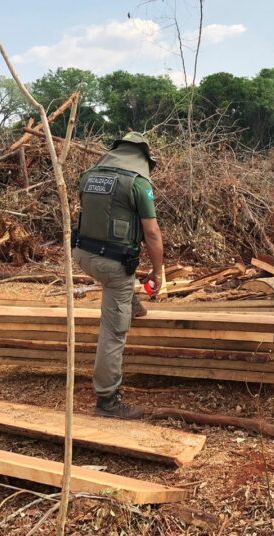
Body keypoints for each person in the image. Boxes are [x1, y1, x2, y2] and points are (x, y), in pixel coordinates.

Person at [71, 132, 163, 419]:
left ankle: (129, 302)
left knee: (117, 277)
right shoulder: (138, 183)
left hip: (83, 255)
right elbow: (151, 233)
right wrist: (158, 271)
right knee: (113, 333)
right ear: (143, 157)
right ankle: (107, 400)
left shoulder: (89, 175)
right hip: (113, 265)